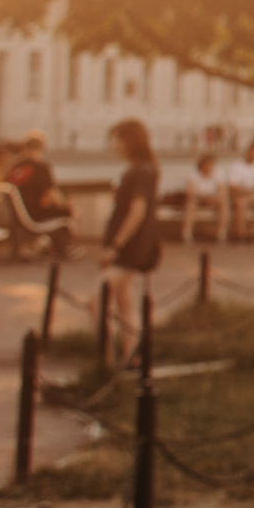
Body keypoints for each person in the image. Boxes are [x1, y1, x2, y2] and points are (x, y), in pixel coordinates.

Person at [103, 120, 163, 365]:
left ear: (130, 141)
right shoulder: (141, 169)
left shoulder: (141, 171)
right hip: (133, 246)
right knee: (123, 299)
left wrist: (115, 246)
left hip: (130, 248)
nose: (114, 145)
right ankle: (131, 354)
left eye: (117, 139)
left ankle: (105, 360)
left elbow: (137, 212)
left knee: (98, 300)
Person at [182, 152, 230, 242]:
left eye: (210, 164)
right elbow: (190, 193)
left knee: (224, 202)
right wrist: (203, 198)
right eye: (206, 164)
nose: (208, 167)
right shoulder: (193, 174)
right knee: (190, 202)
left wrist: (214, 198)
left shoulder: (218, 172)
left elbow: (222, 190)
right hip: (198, 199)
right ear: (201, 165)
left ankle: (221, 232)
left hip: (213, 199)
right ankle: (187, 233)